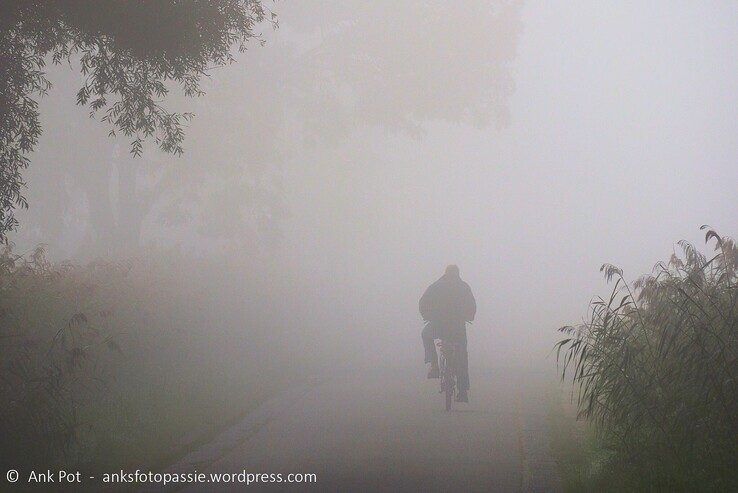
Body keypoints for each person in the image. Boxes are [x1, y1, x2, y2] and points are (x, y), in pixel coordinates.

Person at [419, 264, 476, 402]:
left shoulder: (437, 285)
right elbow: (472, 305)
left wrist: (427, 315)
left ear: (445, 273)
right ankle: (462, 392)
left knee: (426, 334)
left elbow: (423, 302)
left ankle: (434, 365)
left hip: (439, 324)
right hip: (458, 327)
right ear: (458, 273)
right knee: (462, 356)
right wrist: (469, 316)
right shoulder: (464, 287)